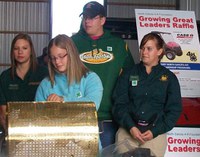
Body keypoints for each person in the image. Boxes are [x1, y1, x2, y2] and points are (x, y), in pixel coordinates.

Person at [71, 1, 135, 148]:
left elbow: (131, 78)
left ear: (102, 20)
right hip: (78, 118)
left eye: (92, 18)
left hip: (108, 120)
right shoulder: (72, 43)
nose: (87, 21)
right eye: (85, 17)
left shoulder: (119, 45)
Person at [112, 32, 182, 157]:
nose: (144, 52)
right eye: (142, 48)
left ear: (160, 51)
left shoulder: (170, 78)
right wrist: (131, 127)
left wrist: (155, 131)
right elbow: (119, 104)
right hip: (128, 130)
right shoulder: (128, 73)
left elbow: (174, 110)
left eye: (149, 48)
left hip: (155, 134)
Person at [35, 34, 103, 112]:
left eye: (61, 56)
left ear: (71, 54)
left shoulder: (91, 79)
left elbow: (92, 106)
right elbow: (37, 114)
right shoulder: (45, 84)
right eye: (53, 58)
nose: (57, 61)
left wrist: (63, 101)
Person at [0, 33, 48, 131]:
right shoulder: (5, 77)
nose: (20, 52)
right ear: (12, 51)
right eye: (16, 48)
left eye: (24, 48)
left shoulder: (44, 74)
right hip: (14, 130)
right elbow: (3, 112)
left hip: (41, 128)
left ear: (31, 51)